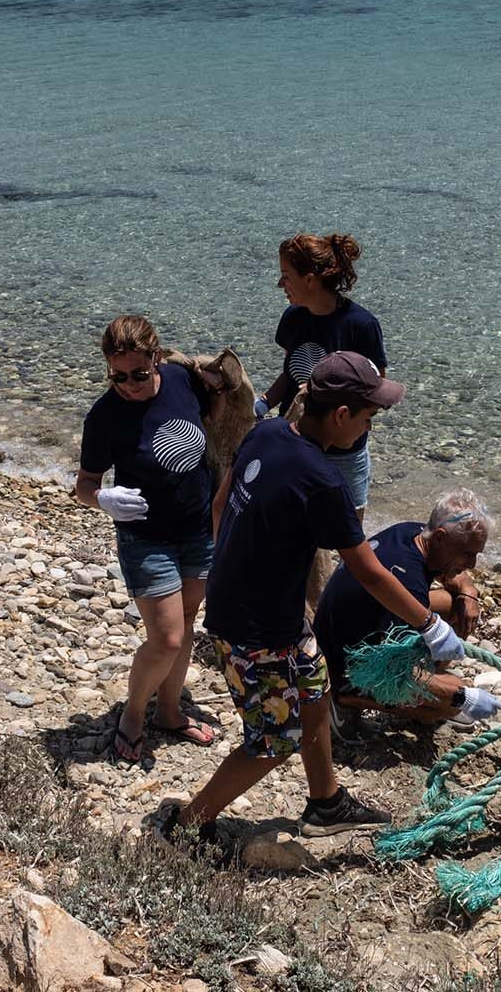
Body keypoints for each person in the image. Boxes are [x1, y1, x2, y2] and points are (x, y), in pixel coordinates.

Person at [163, 352, 468, 853]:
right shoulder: (324, 482)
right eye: (368, 417)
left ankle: (326, 802)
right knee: (271, 741)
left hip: (260, 609)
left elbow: (221, 504)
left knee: (314, 685)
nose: (370, 427)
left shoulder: (267, 433)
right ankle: (189, 825)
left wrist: (232, 566)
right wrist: (430, 625)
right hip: (256, 631)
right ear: (342, 416)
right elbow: (367, 568)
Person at [76, 315, 225, 763]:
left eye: (138, 374)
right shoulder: (104, 416)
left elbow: (218, 414)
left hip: (199, 530)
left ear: (157, 359)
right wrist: (103, 498)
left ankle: (170, 711)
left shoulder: (182, 380)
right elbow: (84, 485)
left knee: (186, 621)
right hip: (146, 538)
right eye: (117, 376)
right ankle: (135, 715)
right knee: (168, 639)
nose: (128, 384)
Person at [313, 489, 501, 730]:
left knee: (453, 602)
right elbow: (394, 670)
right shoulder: (408, 580)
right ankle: (348, 698)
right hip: (347, 663)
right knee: (447, 705)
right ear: (440, 538)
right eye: (467, 554)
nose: (473, 564)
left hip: (353, 624)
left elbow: (458, 580)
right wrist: (462, 696)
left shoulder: (414, 532)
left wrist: (469, 593)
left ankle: (432, 674)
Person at [254, 233, 386, 519]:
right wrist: (263, 402)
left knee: (347, 530)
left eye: (286, 276)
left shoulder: (360, 325)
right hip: (295, 442)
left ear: (310, 279)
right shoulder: (293, 318)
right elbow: (291, 372)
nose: (281, 284)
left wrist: (345, 425)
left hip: (345, 452)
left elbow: (377, 391)